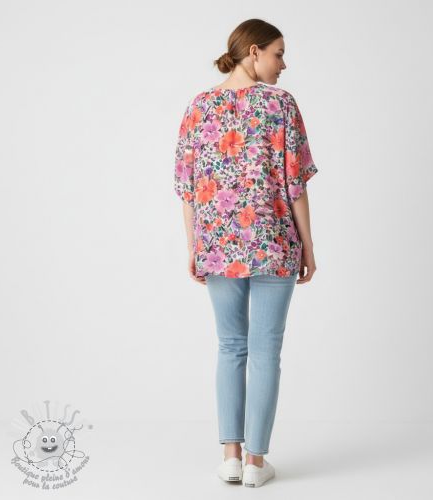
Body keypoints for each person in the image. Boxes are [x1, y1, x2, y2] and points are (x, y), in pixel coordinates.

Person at [173, 18, 318, 487]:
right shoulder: (281, 105)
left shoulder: (199, 107)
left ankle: (230, 458)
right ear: (253, 51)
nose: (283, 64)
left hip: (217, 246)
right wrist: (308, 246)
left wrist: (194, 246)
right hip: (274, 243)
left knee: (231, 346)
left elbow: (188, 189)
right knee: (265, 350)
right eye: (278, 53)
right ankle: (256, 463)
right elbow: (295, 184)